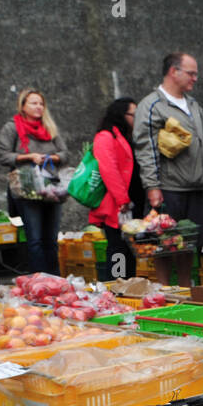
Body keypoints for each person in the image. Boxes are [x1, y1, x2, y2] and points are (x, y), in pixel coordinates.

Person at [134, 52, 203, 284]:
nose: (195, 78)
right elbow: (147, 149)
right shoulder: (152, 105)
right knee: (164, 245)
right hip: (169, 187)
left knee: (189, 243)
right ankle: (164, 293)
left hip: (196, 186)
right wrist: (152, 186)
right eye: (191, 73)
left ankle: (186, 291)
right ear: (174, 72)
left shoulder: (193, 105)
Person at [0, 88, 69, 275]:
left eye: (41, 103)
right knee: (35, 239)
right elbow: (4, 156)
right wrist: (28, 157)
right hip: (26, 189)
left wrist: (51, 157)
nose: (38, 107)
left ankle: (55, 280)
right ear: (22, 106)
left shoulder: (49, 127)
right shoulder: (11, 127)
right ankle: (39, 280)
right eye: (33, 103)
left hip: (51, 188)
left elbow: (64, 154)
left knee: (51, 239)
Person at [88, 97, 140, 280]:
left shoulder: (127, 136)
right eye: (133, 114)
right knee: (118, 247)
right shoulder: (106, 136)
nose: (137, 118)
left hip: (131, 203)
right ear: (121, 114)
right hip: (117, 204)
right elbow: (108, 169)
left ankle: (128, 285)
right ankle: (117, 286)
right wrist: (122, 200)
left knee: (129, 248)